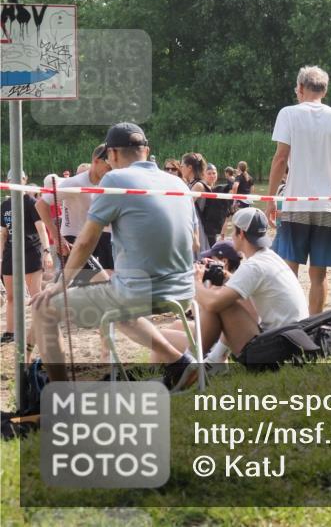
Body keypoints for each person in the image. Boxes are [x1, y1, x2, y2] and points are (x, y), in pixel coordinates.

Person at [29, 123, 202, 389]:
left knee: (43, 308)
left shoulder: (115, 180)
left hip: (138, 293)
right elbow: (194, 243)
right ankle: (179, 363)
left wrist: (58, 285)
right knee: (122, 311)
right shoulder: (178, 182)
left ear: (112, 155)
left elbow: (86, 240)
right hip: (184, 292)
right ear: (147, 150)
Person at [153, 208, 307, 366]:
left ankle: (197, 362)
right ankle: (211, 359)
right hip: (292, 340)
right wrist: (227, 277)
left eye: (233, 231)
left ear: (240, 233)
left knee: (221, 304)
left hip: (277, 349)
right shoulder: (270, 257)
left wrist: (195, 282)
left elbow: (213, 303)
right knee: (226, 301)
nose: (231, 236)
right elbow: (251, 286)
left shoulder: (254, 266)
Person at [267, 66, 331, 315]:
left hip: (296, 203)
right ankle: (314, 324)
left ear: (300, 89)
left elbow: (280, 158)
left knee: (290, 271)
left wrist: (270, 199)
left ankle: (291, 324)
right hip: (329, 204)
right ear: (325, 89)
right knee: (319, 275)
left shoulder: (288, 113)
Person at [36, 144, 114, 272]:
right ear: (96, 161)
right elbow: (40, 205)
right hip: (73, 240)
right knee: (96, 280)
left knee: (96, 283)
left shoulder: (105, 182)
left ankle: (53, 288)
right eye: (108, 167)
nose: (111, 170)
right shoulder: (76, 182)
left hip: (94, 238)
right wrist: (57, 236)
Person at [2, 173, 53, 345]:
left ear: (24, 181)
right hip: (10, 253)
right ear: (8, 182)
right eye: (11, 180)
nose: (15, 182)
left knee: (35, 295)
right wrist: (1, 256)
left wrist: (47, 251)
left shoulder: (31, 203)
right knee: (11, 296)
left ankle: (41, 328)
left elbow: (41, 229)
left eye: (19, 179)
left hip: (31, 251)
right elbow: (3, 233)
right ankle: (10, 332)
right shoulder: (5, 205)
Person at [181, 152, 211, 257]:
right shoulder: (190, 183)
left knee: (198, 257)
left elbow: (184, 205)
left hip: (197, 226)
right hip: (191, 223)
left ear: (189, 168)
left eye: (182, 166)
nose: (181, 168)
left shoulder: (198, 185)